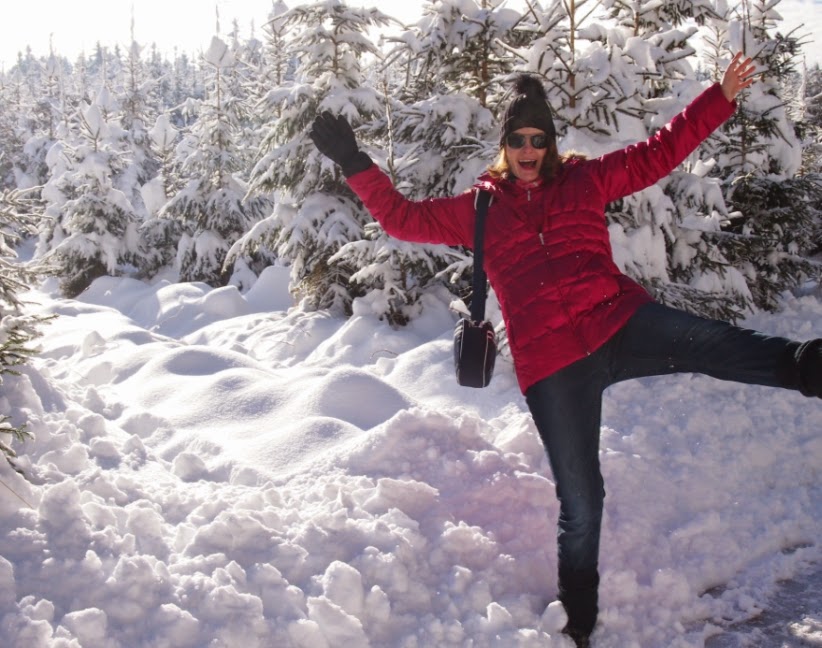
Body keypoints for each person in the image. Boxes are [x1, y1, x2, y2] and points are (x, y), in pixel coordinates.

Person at [309, 53, 822, 647]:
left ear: (551, 143)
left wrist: (721, 95)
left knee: (707, 341)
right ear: (505, 146)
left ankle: (805, 365)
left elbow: (660, 151)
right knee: (581, 498)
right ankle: (578, 617)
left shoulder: (584, 181)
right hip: (553, 368)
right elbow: (400, 218)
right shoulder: (479, 210)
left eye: (539, 138)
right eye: (518, 140)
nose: (529, 150)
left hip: (618, 321)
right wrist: (354, 162)